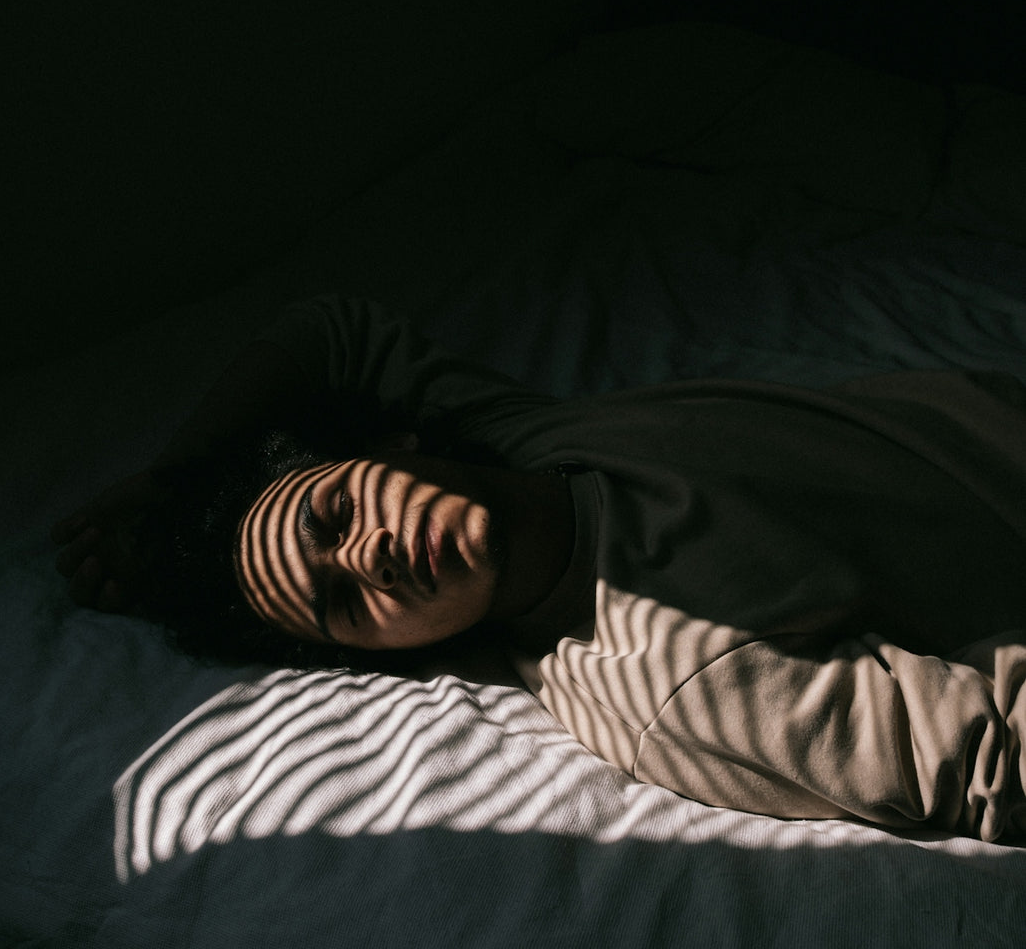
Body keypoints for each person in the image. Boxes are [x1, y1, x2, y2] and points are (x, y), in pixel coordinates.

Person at [53, 296, 1026, 843]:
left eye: (336, 512)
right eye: (343, 601)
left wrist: (164, 481)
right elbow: (991, 764)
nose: (370, 554)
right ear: (382, 652)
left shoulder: (523, 442)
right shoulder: (669, 677)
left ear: (394, 444)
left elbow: (331, 333)